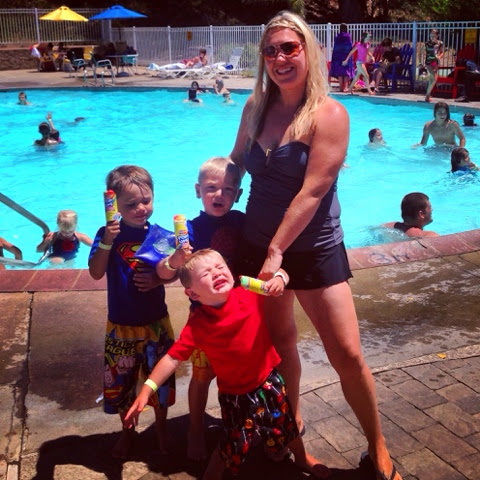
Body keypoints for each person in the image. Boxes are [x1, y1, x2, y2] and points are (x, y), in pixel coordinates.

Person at [229, 11, 401, 480]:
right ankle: (291, 431)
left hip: (313, 249)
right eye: (270, 50)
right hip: (257, 246)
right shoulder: (255, 107)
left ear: (308, 51)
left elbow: (313, 191)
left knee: (347, 353)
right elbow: (237, 161)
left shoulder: (330, 114)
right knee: (280, 347)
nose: (280, 58)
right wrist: (217, 193)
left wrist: (277, 251)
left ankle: (377, 445)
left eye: (290, 47)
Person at [125, 248, 330, 480]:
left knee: (286, 424)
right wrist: (147, 389)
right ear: (192, 294)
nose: (216, 273)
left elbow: (282, 272)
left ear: (231, 273)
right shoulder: (198, 324)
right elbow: (173, 358)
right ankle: (212, 475)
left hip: (268, 381)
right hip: (235, 396)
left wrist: (280, 280)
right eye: (206, 273)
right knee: (232, 442)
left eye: (220, 267)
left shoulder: (249, 292)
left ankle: (301, 457)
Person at [156, 156, 244, 461]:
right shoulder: (190, 231)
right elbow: (163, 273)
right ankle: (195, 429)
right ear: (198, 191)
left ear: (238, 195)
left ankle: (236, 422)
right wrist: (176, 260)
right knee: (202, 375)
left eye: (228, 190)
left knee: (237, 373)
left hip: (239, 314)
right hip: (205, 318)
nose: (219, 195)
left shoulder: (241, 222)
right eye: (211, 188)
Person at [88, 165, 176, 459]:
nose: (141, 208)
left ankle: (161, 428)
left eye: (146, 201)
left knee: (160, 384)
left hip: (156, 323)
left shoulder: (161, 236)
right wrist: (107, 240)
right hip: (121, 325)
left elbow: (175, 271)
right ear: (115, 206)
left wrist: (159, 280)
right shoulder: (106, 235)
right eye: (131, 204)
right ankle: (127, 432)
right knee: (121, 386)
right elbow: (96, 272)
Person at [328, 23, 354, 92]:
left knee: (340, 72)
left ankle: (341, 87)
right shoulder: (348, 36)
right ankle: (345, 87)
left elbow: (336, 47)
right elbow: (350, 46)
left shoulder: (337, 36)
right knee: (346, 72)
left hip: (338, 56)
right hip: (346, 56)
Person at [423, 29, 444, 103]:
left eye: (434, 35)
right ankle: (427, 95)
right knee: (434, 78)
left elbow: (442, 52)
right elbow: (424, 53)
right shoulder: (427, 43)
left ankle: (427, 96)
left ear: (437, 36)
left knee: (432, 79)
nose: (432, 36)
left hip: (435, 62)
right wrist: (421, 63)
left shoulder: (440, 43)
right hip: (429, 62)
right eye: (431, 34)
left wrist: (439, 57)